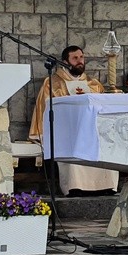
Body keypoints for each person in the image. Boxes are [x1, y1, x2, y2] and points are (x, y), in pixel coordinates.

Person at [29, 45, 119, 197]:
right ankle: (75, 187)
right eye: (75, 58)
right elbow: (44, 109)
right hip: (66, 131)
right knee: (73, 145)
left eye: (81, 57)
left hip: (93, 130)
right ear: (65, 62)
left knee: (106, 143)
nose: (80, 61)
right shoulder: (52, 83)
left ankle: (106, 185)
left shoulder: (94, 84)